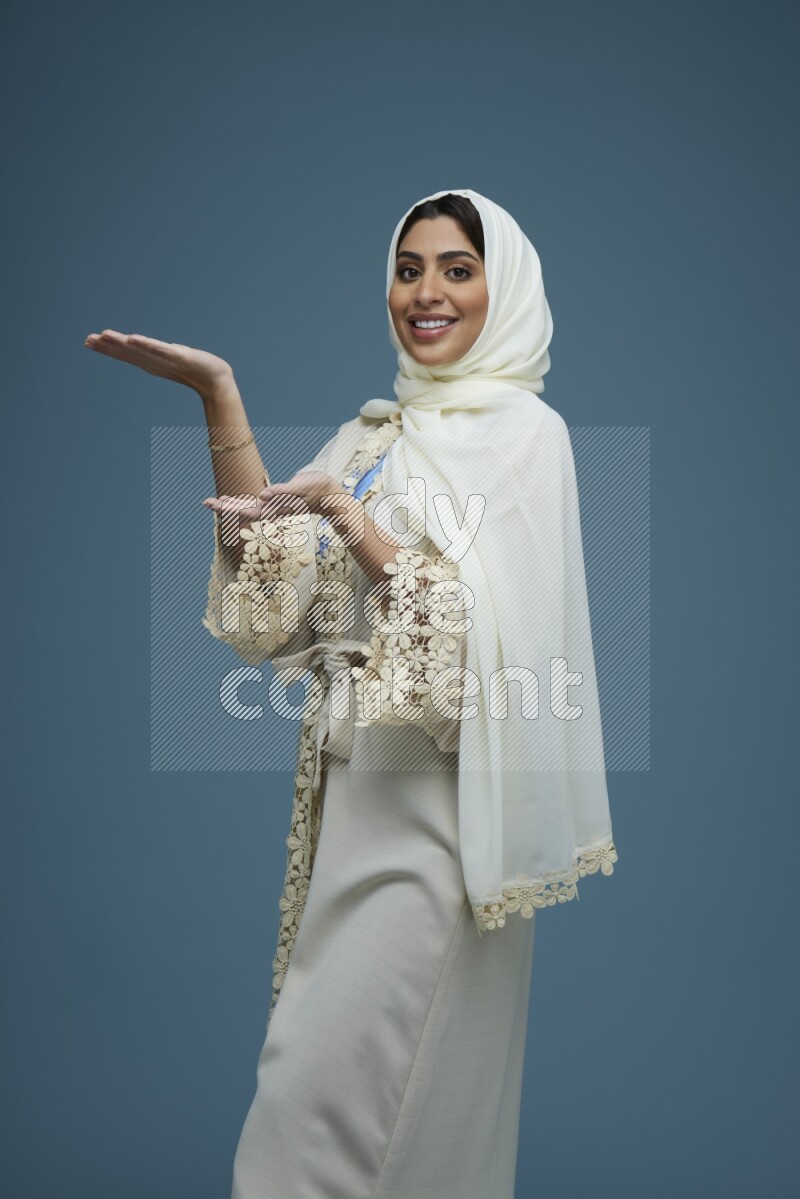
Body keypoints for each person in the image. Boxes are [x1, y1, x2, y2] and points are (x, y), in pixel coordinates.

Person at [85, 187, 617, 1199]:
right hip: (345, 815)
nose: (425, 291)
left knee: (321, 1134)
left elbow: (473, 652)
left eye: (457, 269)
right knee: (365, 1133)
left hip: (441, 825)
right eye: (408, 266)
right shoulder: (375, 435)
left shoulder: (522, 434)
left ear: (501, 290)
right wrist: (220, 398)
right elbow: (272, 595)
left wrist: (349, 517)